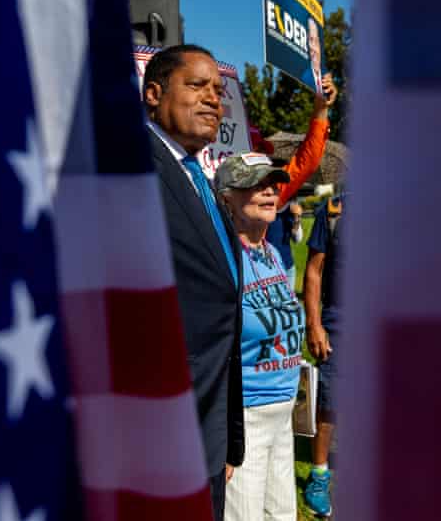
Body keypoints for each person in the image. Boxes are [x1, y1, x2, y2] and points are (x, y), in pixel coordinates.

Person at [143, 44, 244, 521]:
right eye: (197, 85)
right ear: (153, 93)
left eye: (219, 91)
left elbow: (222, 306)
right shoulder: (131, 170)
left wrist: (227, 436)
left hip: (208, 427)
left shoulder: (203, 181)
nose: (213, 100)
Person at [213, 153, 306, 521]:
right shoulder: (223, 259)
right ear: (227, 197)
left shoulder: (270, 251)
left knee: (281, 515)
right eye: (256, 185)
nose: (269, 192)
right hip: (244, 419)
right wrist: (221, 437)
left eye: (272, 184)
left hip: (282, 413)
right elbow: (211, 348)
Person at [260, 72, 337, 289]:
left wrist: (321, 108)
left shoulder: (275, 190)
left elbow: (306, 161)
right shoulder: (218, 193)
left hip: (283, 268)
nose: (266, 188)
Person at [302, 195, 343, 517]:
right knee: (329, 400)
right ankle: (319, 475)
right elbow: (314, 271)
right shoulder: (334, 209)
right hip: (339, 319)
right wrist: (314, 324)